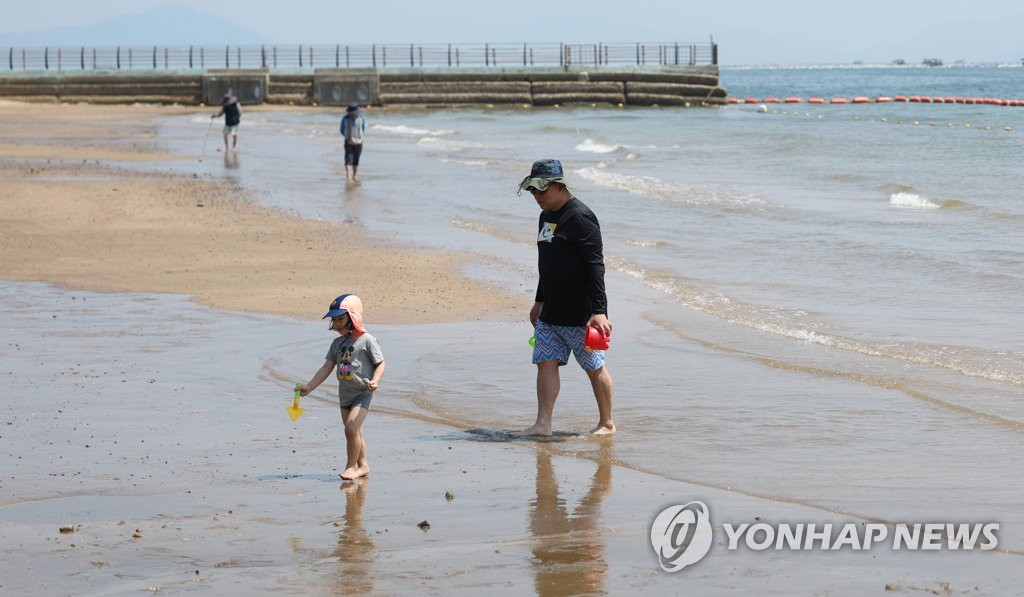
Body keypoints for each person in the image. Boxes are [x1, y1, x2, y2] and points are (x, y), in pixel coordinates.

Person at [516, 158, 616, 436]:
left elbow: (595, 266)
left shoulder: (581, 217)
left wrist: (599, 311)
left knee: (594, 368)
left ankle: (607, 423)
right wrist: (539, 300)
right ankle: (543, 424)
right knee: (544, 364)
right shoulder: (545, 215)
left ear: (559, 186)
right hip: (551, 311)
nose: (537, 197)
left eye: (541, 190)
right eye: (533, 191)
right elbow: (546, 263)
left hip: (581, 314)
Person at [299, 294, 386, 480]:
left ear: (353, 317)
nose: (336, 324)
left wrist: (375, 381)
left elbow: (381, 363)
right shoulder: (337, 344)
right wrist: (309, 387)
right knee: (355, 432)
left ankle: (350, 467)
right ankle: (363, 466)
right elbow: (326, 368)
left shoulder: (368, 340)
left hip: (362, 394)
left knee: (350, 430)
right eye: (334, 320)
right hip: (344, 396)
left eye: (341, 319)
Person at [339, 102, 366, 183]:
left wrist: (347, 136)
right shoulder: (361, 118)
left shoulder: (345, 118)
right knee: (353, 160)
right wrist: (357, 136)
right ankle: (352, 176)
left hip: (350, 141)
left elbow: (341, 130)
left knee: (350, 159)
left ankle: (350, 176)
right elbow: (363, 129)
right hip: (357, 141)